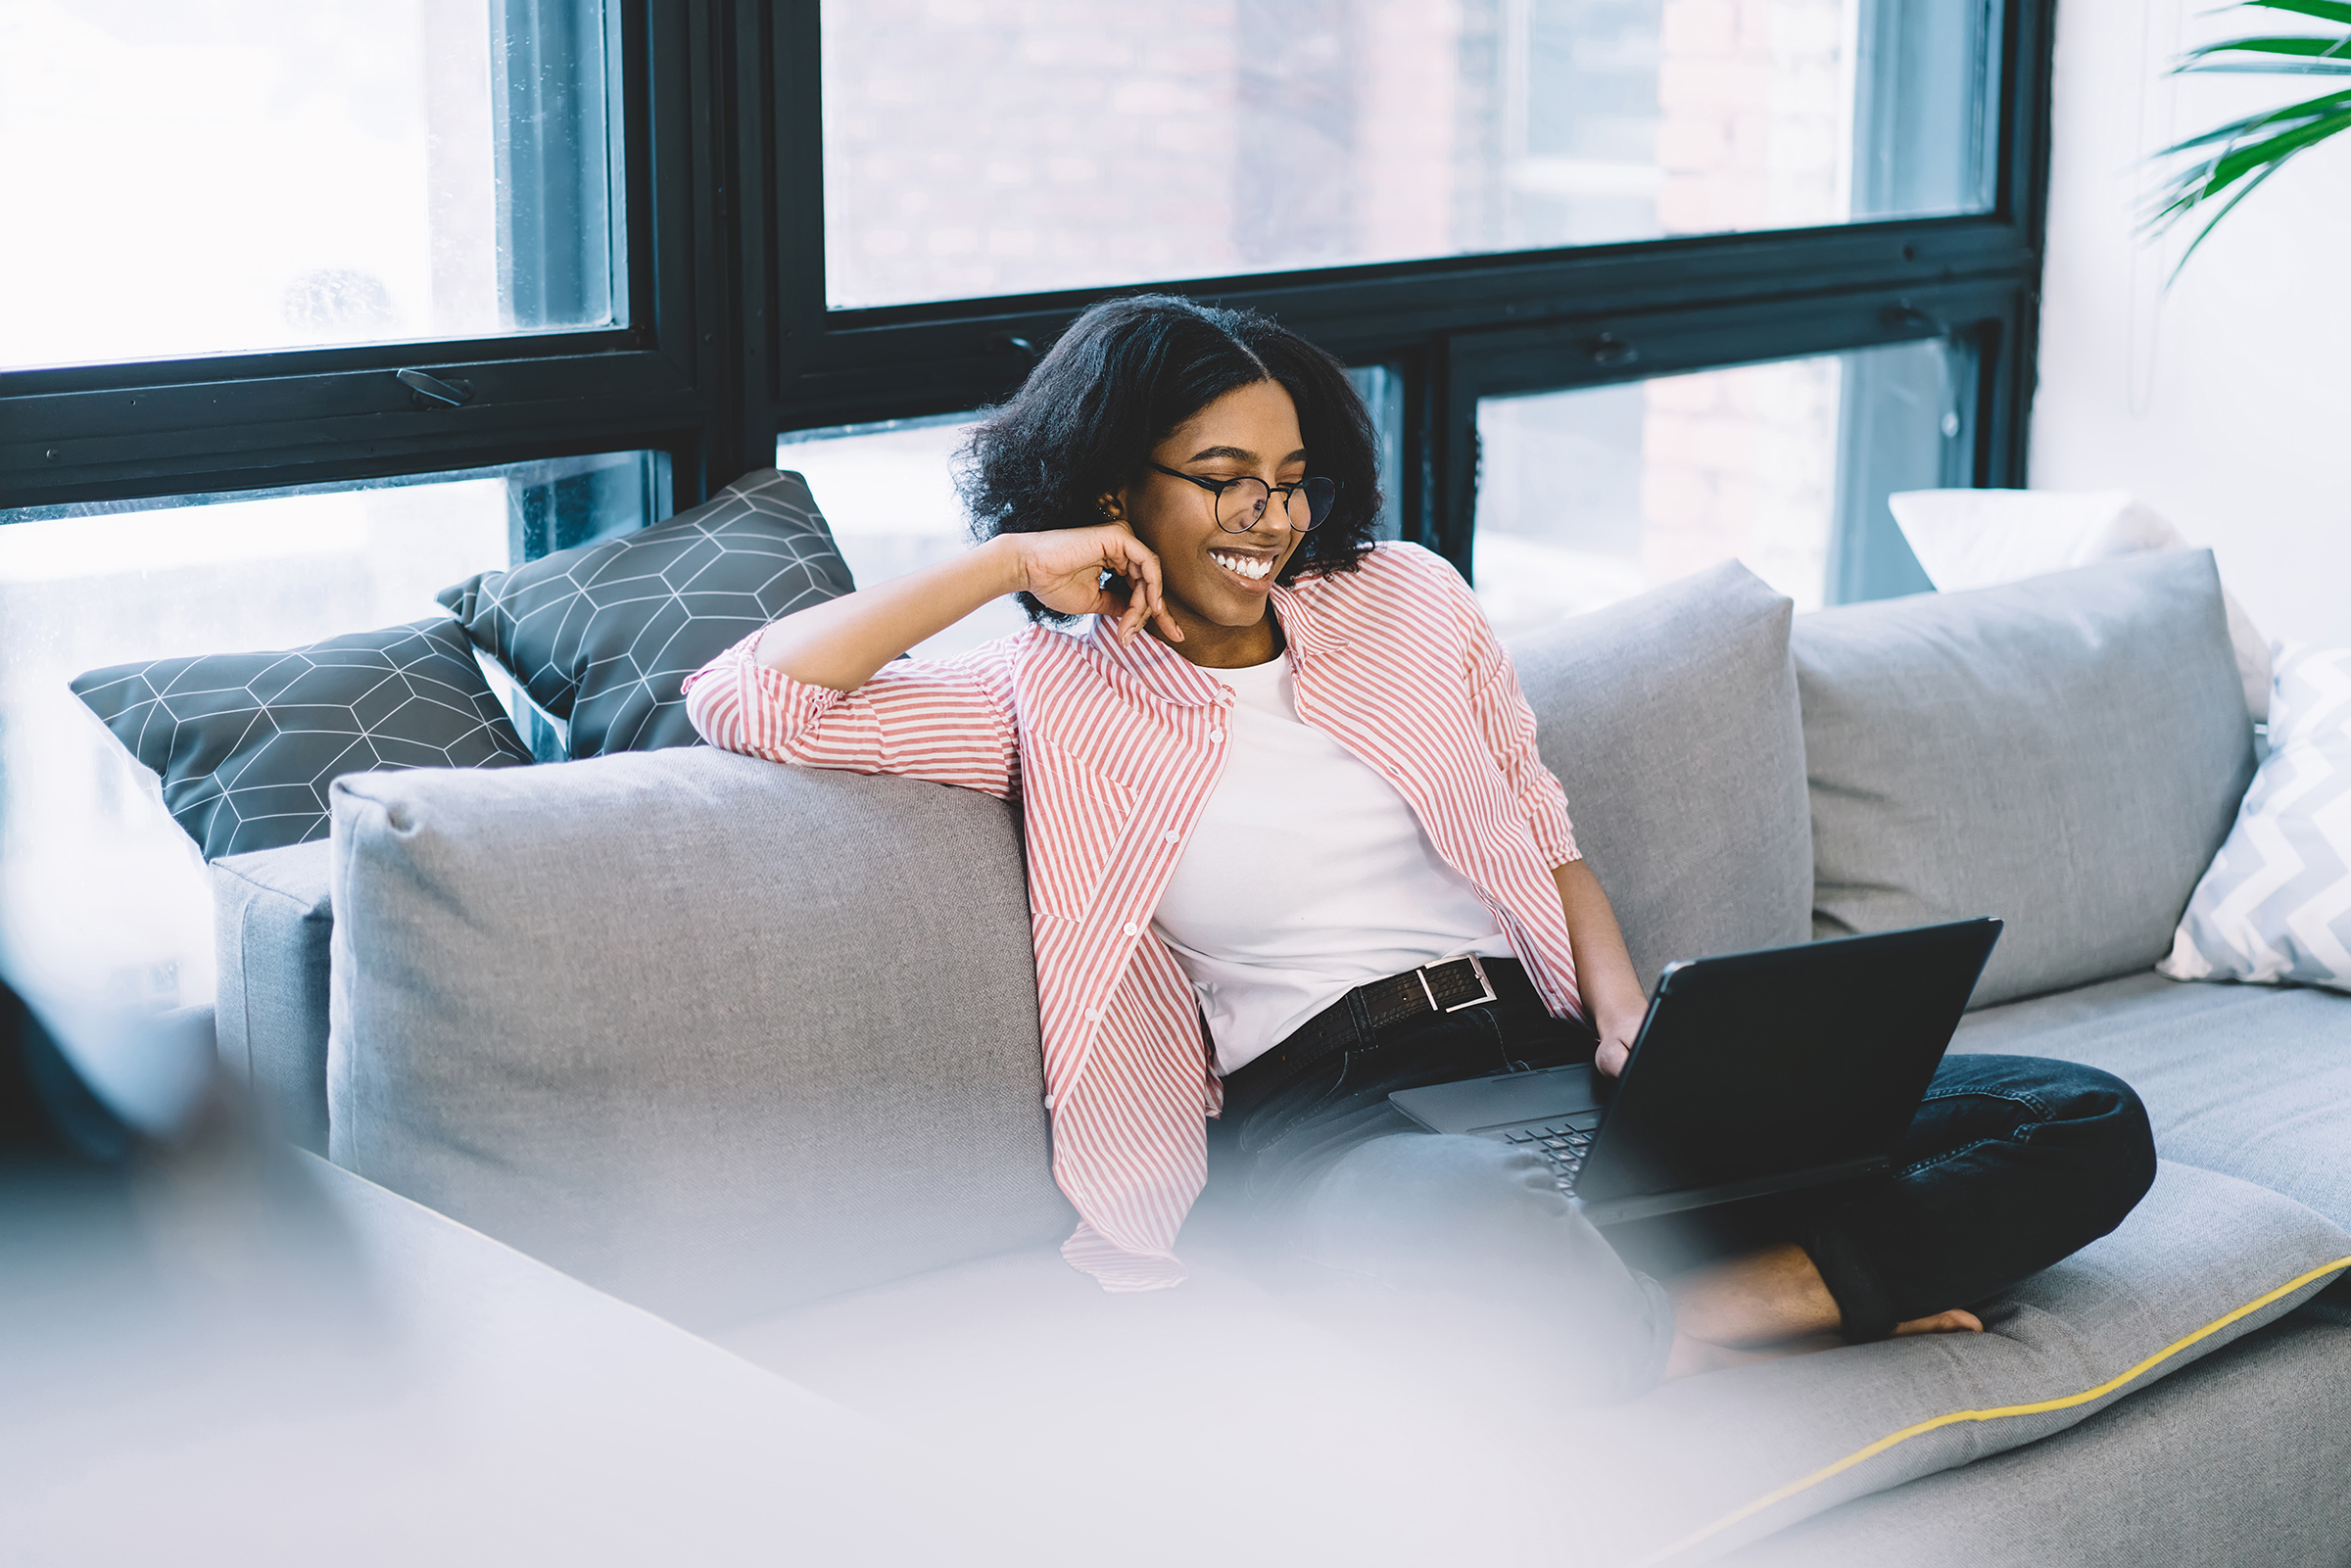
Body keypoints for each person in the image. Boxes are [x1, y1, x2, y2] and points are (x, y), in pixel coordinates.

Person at [684, 294, 2157, 1398]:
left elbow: (1544, 833)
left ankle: (1681, 1297)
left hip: (1539, 1061)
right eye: (1221, 475)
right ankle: (1755, 1300)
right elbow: (744, 694)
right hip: (1329, 1120)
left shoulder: (1406, 599)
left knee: (2081, 1118)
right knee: (1462, 1247)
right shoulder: (1046, 697)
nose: (1270, 512)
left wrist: (1637, 1022)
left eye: (1294, 471)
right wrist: (1010, 565)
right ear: (1115, 486)